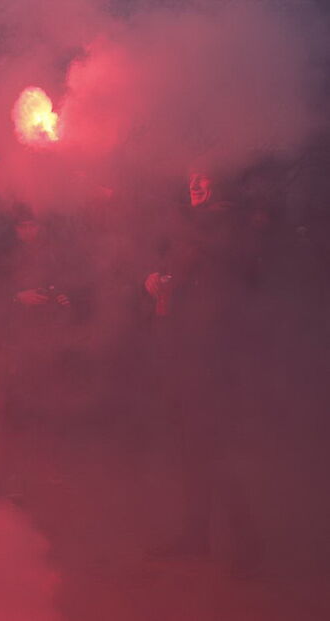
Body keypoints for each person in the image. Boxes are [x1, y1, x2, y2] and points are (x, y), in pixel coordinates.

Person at [144, 169, 263, 575]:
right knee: (194, 450)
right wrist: (161, 282)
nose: (194, 186)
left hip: (219, 358)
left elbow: (215, 272)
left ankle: (247, 551)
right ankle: (197, 535)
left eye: (205, 178)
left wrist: (166, 279)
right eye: (191, 178)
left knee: (220, 450)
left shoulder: (227, 223)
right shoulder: (198, 224)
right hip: (191, 355)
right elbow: (183, 273)